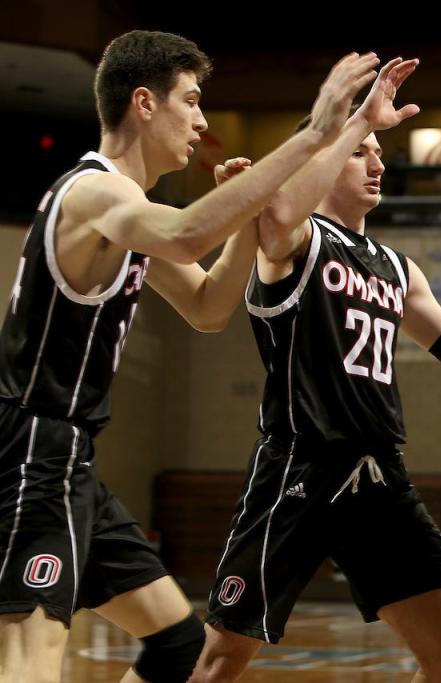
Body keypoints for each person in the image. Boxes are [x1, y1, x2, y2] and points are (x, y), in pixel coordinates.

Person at [0, 30, 376, 683]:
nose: (202, 120)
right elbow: (186, 233)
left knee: (179, 645)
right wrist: (314, 136)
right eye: (192, 100)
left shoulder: (129, 210)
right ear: (144, 103)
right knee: (30, 664)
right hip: (33, 451)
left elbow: (207, 307)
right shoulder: (96, 194)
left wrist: (252, 214)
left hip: (71, 463)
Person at [189, 57, 441, 683]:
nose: (377, 161)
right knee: (220, 659)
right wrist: (353, 117)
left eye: (377, 151)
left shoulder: (399, 269)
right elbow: (280, 208)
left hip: (377, 475)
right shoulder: (293, 238)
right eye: (358, 152)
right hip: (300, 465)